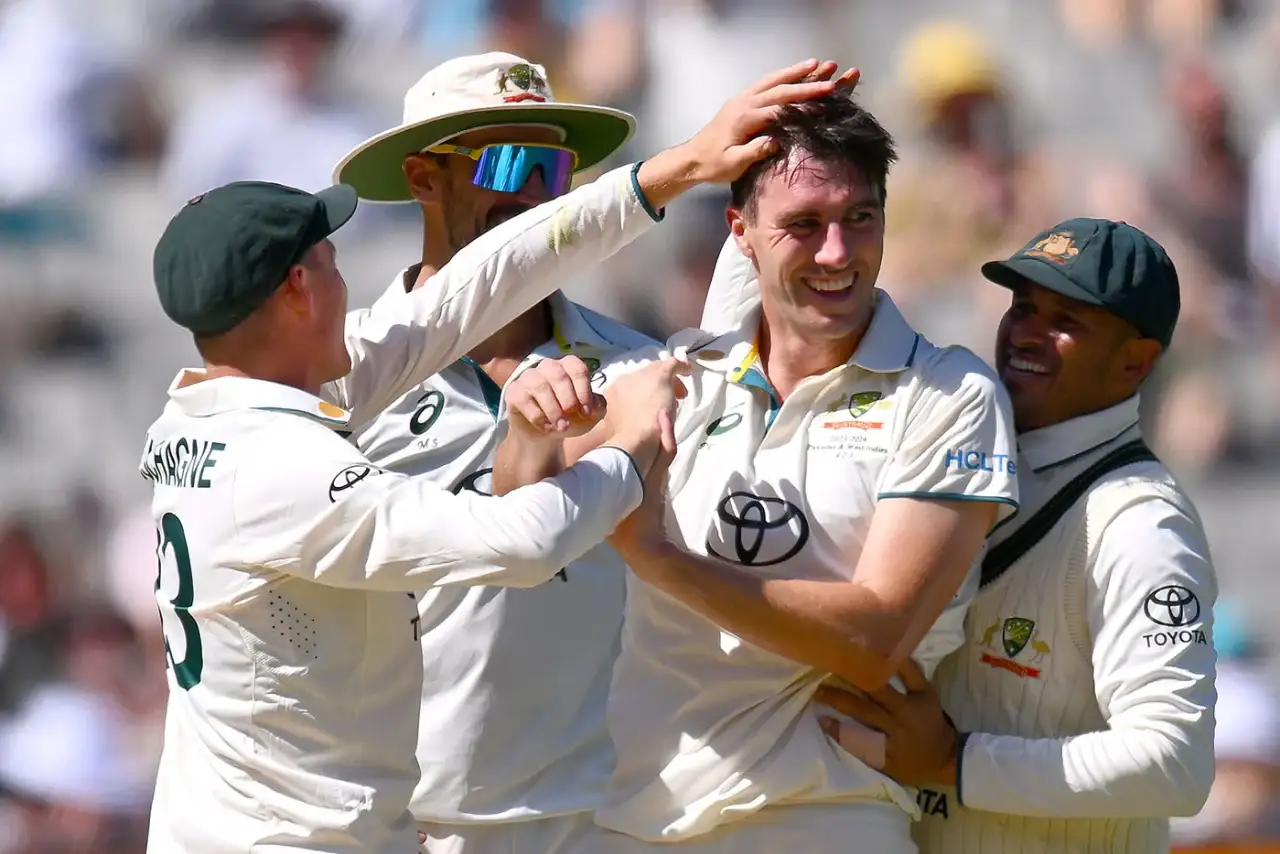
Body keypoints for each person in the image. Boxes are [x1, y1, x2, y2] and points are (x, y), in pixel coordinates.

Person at [141, 58, 823, 853]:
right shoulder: (286, 461)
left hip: (417, 819)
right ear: (297, 289)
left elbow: (477, 287)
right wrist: (630, 441)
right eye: (329, 265)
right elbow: (519, 542)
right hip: (309, 837)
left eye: (553, 168)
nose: (536, 189)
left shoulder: (198, 419)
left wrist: (685, 167)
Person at [330, 52, 853, 854]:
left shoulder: (638, 364)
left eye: (556, 169)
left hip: (599, 816)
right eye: (510, 163)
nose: (535, 197)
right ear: (423, 178)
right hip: (403, 820)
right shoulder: (349, 375)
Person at [496, 90, 1020, 853]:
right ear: (741, 233)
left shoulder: (949, 392)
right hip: (638, 823)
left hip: (824, 819)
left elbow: (876, 638)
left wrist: (656, 558)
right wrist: (530, 424)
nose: (838, 254)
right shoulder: (680, 370)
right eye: (804, 225)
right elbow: (519, 521)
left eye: (859, 219)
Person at [802, 220, 1218, 854]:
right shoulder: (959, 460)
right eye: (1022, 306)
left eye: (1066, 321)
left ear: (1136, 361)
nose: (1027, 331)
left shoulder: (1142, 525)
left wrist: (956, 763)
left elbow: (1175, 766)